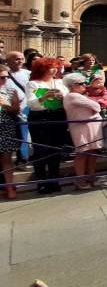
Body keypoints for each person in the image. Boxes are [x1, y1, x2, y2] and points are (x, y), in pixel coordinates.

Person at [26, 57, 68, 194]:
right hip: (40, 117)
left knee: (56, 148)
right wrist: (44, 97)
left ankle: (54, 179)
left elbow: (69, 98)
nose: (55, 69)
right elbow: (31, 103)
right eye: (51, 67)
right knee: (41, 149)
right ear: (42, 68)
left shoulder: (60, 82)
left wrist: (63, 97)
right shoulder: (33, 84)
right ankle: (42, 181)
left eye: (56, 66)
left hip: (58, 115)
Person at [63, 73, 104, 190]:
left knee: (92, 152)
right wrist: (95, 107)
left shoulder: (80, 96)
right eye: (81, 84)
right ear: (72, 86)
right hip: (80, 127)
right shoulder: (72, 96)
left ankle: (91, 176)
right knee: (82, 152)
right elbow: (96, 106)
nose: (84, 86)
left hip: (91, 126)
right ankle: (80, 179)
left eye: (84, 83)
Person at [0, 64, 21, 199]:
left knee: (6, 158)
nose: (4, 80)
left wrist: (5, 104)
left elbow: (15, 111)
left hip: (5, 127)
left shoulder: (11, 90)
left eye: (6, 77)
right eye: (1, 77)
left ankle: (9, 187)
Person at [6, 51, 30, 166]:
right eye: (16, 59)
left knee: (25, 134)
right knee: (17, 135)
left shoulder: (29, 74)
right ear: (8, 61)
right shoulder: (4, 74)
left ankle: (24, 157)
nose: (20, 61)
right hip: (10, 110)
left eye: (21, 58)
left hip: (27, 108)